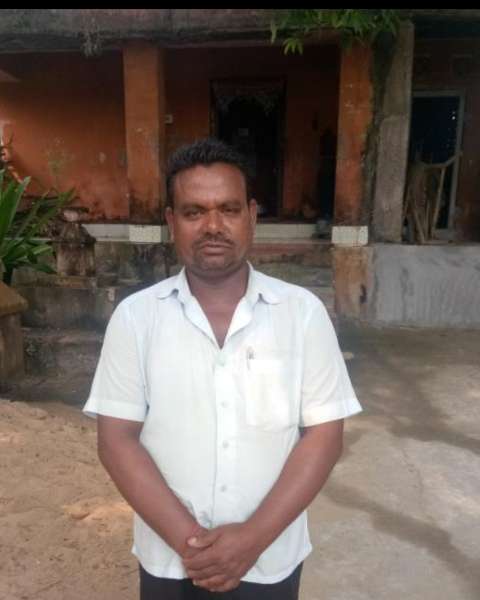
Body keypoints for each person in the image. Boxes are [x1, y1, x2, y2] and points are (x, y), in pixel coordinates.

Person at [83, 137, 362, 599]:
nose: (213, 226)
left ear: (251, 215)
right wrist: (194, 546)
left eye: (228, 209)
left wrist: (251, 539)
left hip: (270, 559)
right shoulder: (135, 319)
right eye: (194, 212)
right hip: (170, 561)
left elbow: (325, 435)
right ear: (172, 221)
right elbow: (116, 441)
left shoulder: (302, 313)